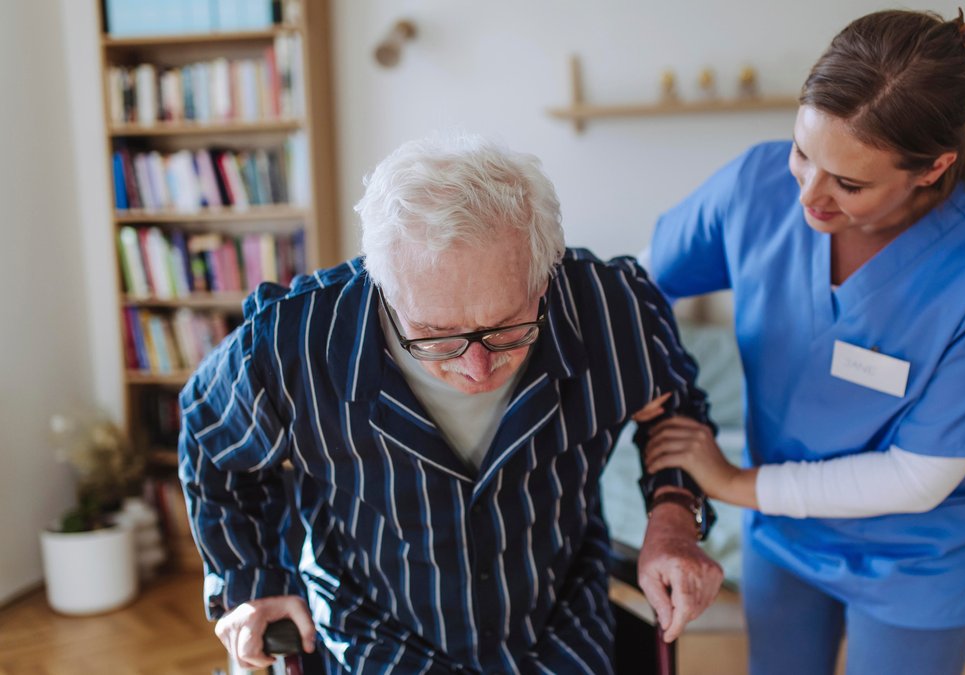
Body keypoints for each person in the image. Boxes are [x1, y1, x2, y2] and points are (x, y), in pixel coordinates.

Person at [178, 133, 724, 674]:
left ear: (547, 273)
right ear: (381, 286)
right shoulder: (292, 344)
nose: (477, 368)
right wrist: (252, 582)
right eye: (436, 336)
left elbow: (675, 410)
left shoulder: (614, 309)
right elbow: (211, 440)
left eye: (507, 327)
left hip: (556, 626)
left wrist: (674, 515)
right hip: (377, 636)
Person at [641, 9, 965, 675]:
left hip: (916, 554)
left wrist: (734, 481)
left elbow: (918, 476)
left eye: (850, 183)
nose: (808, 195)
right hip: (782, 534)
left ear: (932, 167)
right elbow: (637, 288)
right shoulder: (755, 186)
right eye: (803, 152)